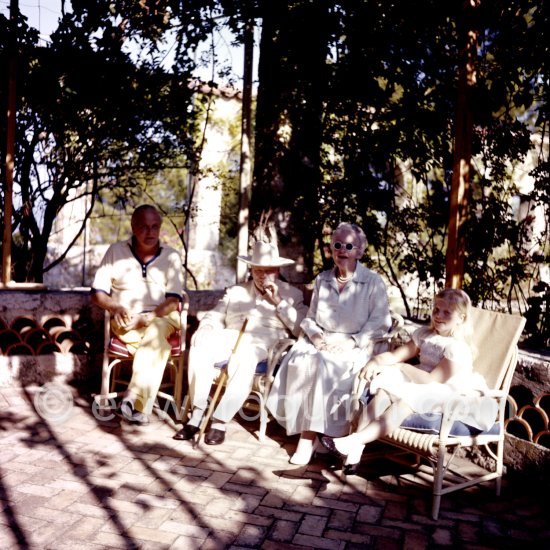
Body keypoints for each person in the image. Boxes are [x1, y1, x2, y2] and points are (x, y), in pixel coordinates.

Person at [320, 288, 498, 474]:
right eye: (436, 309)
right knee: (383, 391)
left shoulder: (458, 349)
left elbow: (432, 381)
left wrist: (402, 367)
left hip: (446, 389)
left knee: (405, 403)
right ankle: (355, 451)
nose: (438, 315)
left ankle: (354, 440)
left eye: (447, 312)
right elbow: (398, 355)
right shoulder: (425, 334)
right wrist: (377, 360)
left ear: (461, 318)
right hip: (421, 379)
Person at [266, 222, 392, 465]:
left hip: (359, 344)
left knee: (324, 364)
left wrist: (351, 342)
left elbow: (380, 322)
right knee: (304, 358)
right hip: (323, 340)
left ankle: (308, 438)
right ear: (331, 249)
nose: (342, 250)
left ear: (360, 251)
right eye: (337, 245)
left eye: (348, 246)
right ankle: (317, 436)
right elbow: (311, 319)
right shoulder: (323, 279)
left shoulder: (373, 282)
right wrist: (317, 338)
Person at [173, 239, 308, 445]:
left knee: (244, 355)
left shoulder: (291, 295)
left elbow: (301, 329)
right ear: (251, 269)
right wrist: (207, 326)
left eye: (268, 270)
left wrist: (278, 302)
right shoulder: (236, 291)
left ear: (277, 270)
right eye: (257, 270)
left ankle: (219, 421)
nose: (262, 276)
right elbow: (215, 315)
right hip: (230, 336)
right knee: (200, 343)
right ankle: (197, 415)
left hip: (264, 343)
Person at [91, 204, 186, 425]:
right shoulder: (116, 252)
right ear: (133, 228)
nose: (150, 232)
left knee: (156, 328)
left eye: (155, 227)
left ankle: (133, 396)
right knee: (159, 345)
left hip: (163, 317)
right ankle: (140, 408)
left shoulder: (171, 256)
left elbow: (173, 301)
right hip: (126, 318)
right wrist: (116, 308)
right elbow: (97, 294)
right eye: (144, 227)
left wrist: (146, 318)